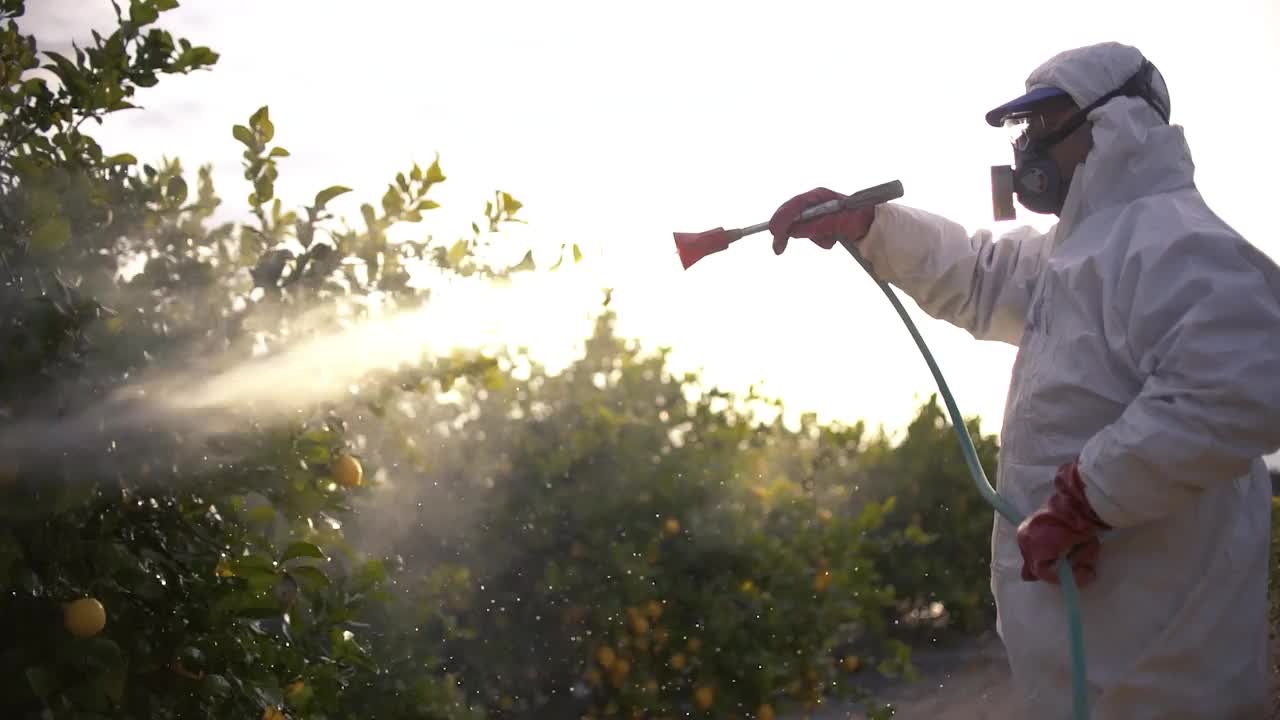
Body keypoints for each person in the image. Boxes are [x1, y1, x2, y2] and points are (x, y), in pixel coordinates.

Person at [767, 41, 1280, 719]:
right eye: (1024, 128)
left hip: (1168, 665)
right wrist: (871, 226)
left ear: (1114, 125)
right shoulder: (1077, 254)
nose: (1027, 147)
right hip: (1099, 653)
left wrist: (1086, 501)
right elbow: (979, 273)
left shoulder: (1174, 243)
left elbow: (1244, 386)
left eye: (1044, 124)